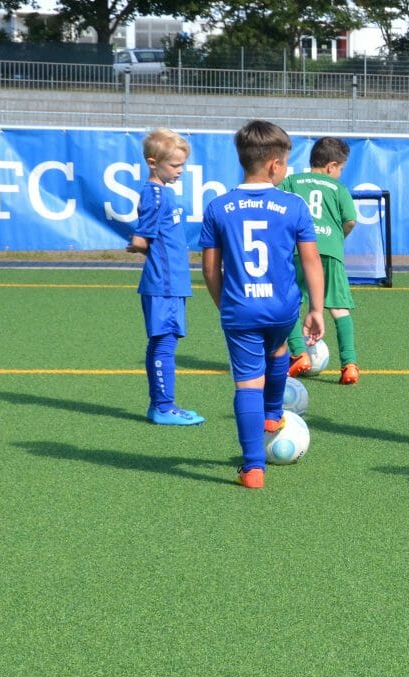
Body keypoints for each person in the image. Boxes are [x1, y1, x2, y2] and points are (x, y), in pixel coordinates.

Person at [200, 120, 325, 488]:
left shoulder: (218, 206)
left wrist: (226, 305)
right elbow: (311, 261)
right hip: (282, 308)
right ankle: (273, 413)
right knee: (280, 348)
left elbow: (210, 268)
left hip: (240, 308)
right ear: (274, 165)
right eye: (286, 163)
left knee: (246, 385)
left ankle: (253, 467)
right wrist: (316, 309)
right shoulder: (293, 205)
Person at [127, 128, 205, 426]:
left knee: (162, 341)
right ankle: (163, 406)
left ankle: (160, 405)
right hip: (165, 282)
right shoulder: (155, 194)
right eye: (174, 165)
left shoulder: (162, 192)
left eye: (182, 165)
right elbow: (140, 239)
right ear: (152, 162)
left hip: (170, 281)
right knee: (165, 343)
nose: (180, 171)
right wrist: (138, 246)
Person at [280, 136, 360, 384]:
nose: (339, 174)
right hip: (331, 253)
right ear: (331, 166)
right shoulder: (339, 189)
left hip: (298, 250)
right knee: (339, 308)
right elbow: (350, 220)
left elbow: (280, 211)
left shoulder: (292, 181)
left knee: (290, 301)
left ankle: (300, 354)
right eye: (341, 170)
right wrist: (337, 238)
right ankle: (349, 364)